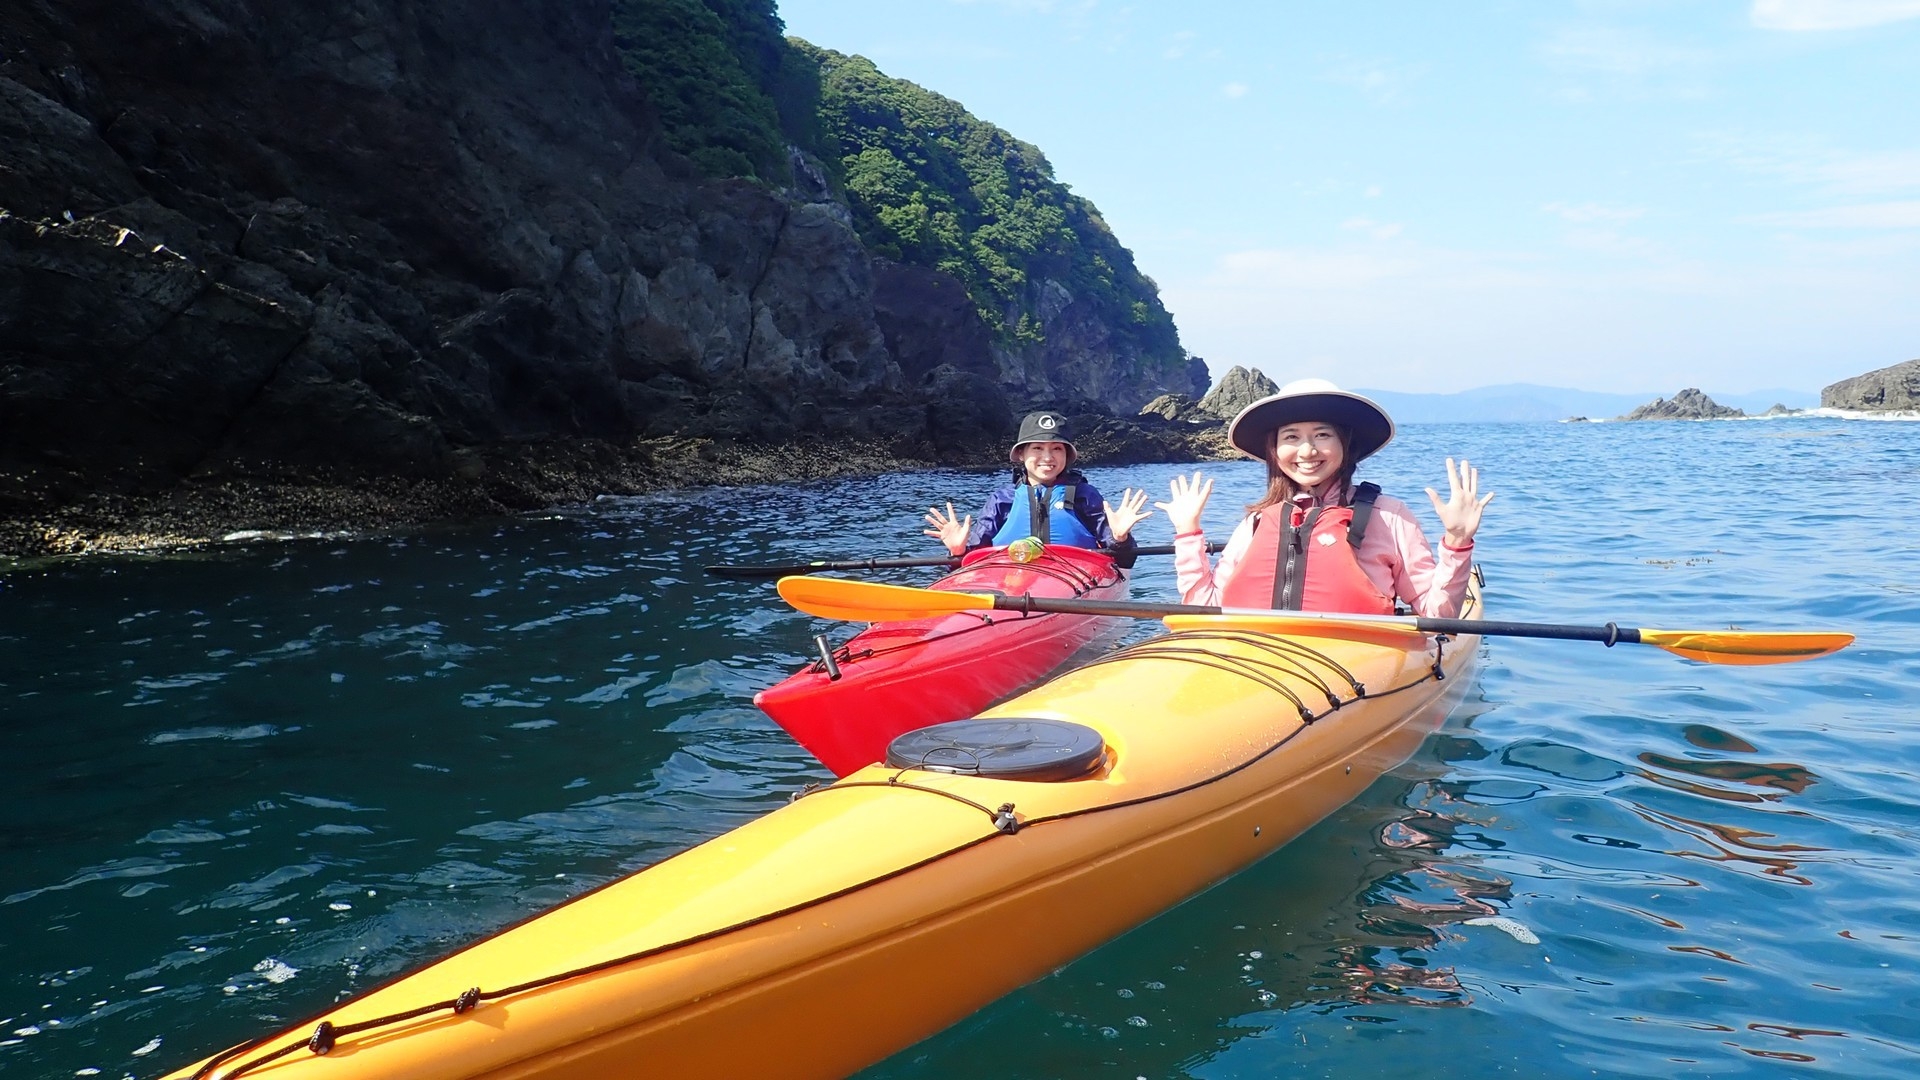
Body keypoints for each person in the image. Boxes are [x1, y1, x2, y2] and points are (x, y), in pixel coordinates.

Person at [1158, 379, 1491, 617]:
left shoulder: (1389, 516)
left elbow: (1437, 614)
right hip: (1254, 659)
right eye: (1291, 437)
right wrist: (1188, 533)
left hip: (1354, 671)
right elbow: (1204, 607)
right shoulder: (1258, 522)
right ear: (1275, 451)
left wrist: (1457, 542)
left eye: (1322, 435)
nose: (1307, 450)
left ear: (1345, 444)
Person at [924, 410, 1153, 568]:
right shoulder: (1003, 500)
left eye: (1056, 449)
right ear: (1021, 454)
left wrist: (1121, 538)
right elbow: (966, 563)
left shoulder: (1084, 495)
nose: (1047, 457)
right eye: (1037, 448)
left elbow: (1125, 561)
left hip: (1076, 581)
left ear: (1067, 455)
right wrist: (957, 551)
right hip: (1011, 581)